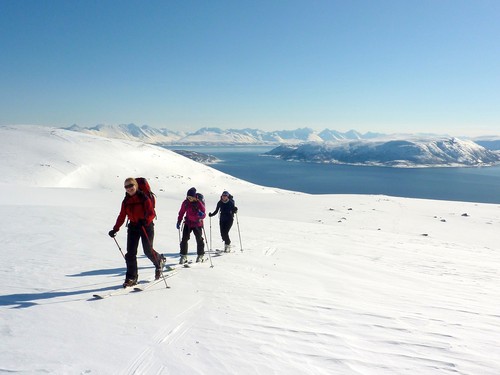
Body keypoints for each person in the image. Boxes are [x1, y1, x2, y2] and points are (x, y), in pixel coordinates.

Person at [108, 177, 165, 287]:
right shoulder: (126, 201)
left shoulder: (144, 198)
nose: (129, 188)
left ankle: (159, 261)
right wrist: (115, 228)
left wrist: (145, 221)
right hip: (133, 227)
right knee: (130, 253)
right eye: (126, 186)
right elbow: (122, 216)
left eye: (131, 185)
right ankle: (131, 278)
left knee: (148, 250)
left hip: (146, 226)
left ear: (136, 186)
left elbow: (152, 213)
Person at [177, 187, 206, 264]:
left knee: (199, 239)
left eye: (191, 197)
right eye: (188, 197)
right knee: (184, 239)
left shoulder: (199, 203)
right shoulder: (185, 203)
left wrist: (202, 215)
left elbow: (204, 214)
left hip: (197, 224)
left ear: (194, 196)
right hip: (188, 223)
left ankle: (200, 255)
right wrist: (179, 221)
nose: (189, 198)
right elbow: (181, 212)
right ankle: (183, 256)